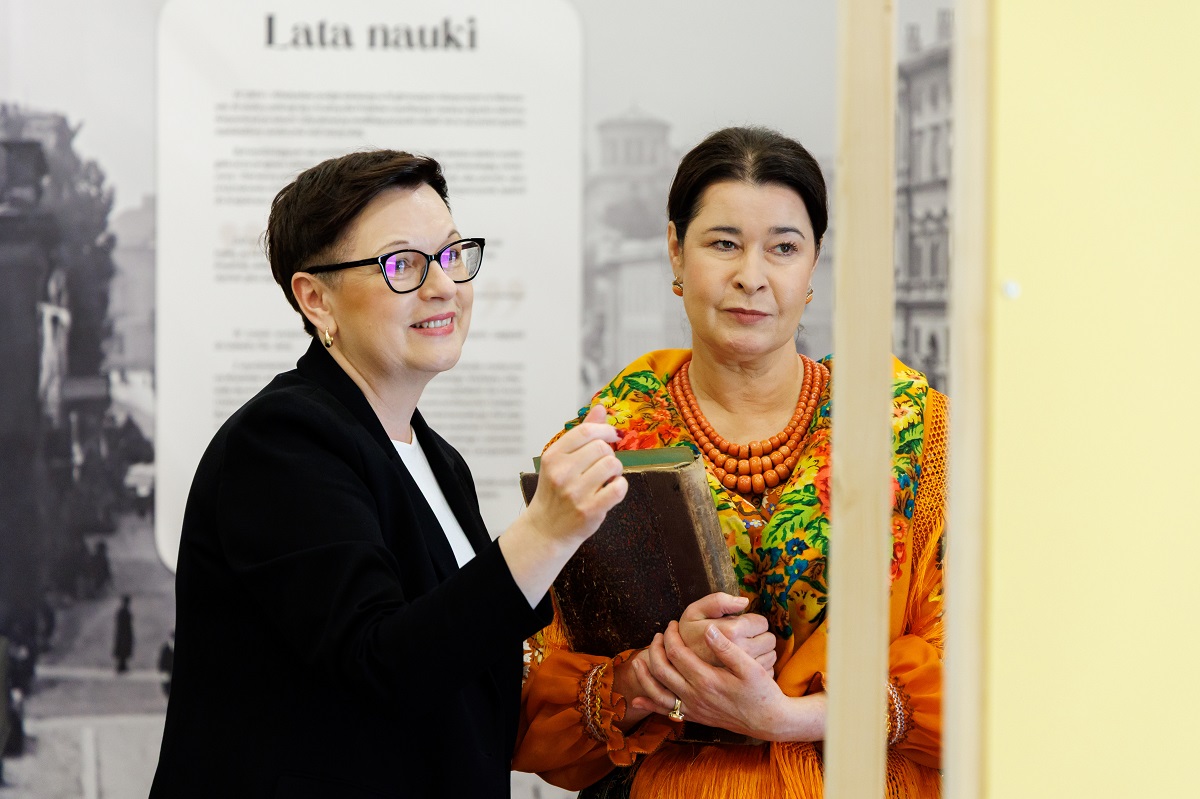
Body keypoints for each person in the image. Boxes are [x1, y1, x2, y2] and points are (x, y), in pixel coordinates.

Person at [149, 150, 628, 798]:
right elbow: (384, 665)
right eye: (402, 264)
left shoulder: (440, 462)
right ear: (316, 299)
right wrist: (545, 529)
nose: (444, 286)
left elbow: (467, 675)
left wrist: (637, 683)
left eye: (452, 254)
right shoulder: (281, 441)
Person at [514, 127, 946, 797]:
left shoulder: (904, 426)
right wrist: (645, 677)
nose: (752, 275)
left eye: (783, 247)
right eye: (723, 244)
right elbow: (532, 689)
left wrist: (786, 718)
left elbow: (978, 665)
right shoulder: (607, 442)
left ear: (813, 264)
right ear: (675, 249)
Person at [113, 595, 133, 674]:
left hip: (123, 633)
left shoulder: (123, 612)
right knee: (123, 649)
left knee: (124, 650)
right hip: (123, 633)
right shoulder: (124, 612)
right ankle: (121, 666)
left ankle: (122, 666)